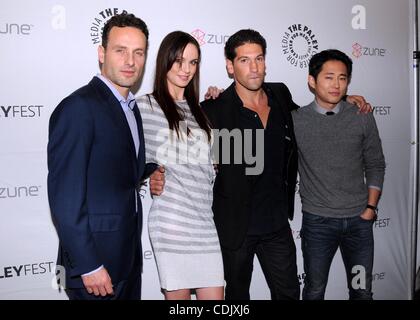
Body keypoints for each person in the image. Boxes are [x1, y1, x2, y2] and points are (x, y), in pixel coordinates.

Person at [149, 29, 371, 300]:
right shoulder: (213, 110)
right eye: (244, 60)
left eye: (259, 59)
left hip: (277, 226)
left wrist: (342, 99)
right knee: (237, 299)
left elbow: (309, 115)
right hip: (233, 229)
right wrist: (155, 173)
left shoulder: (280, 95)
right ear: (230, 66)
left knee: (289, 294)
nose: (254, 68)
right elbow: (184, 157)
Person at [47, 13, 152, 300]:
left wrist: (152, 169)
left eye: (138, 52)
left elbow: (117, 171)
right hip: (95, 268)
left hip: (127, 261)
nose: (130, 61)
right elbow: (65, 198)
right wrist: (89, 264)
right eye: (121, 50)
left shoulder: (131, 108)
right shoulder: (79, 108)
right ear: (102, 53)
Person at [292, 49, 385, 300]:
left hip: (359, 223)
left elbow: (375, 163)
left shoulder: (361, 116)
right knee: (314, 289)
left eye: (342, 78)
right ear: (312, 81)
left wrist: (370, 208)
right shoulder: (296, 121)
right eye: (329, 77)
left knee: (361, 290)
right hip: (318, 224)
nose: (336, 84)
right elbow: (255, 92)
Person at [137, 31, 224, 300]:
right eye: (179, 61)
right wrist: (149, 172)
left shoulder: (201, 111)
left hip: (205, 223)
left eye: (193, 62)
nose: (186, 69)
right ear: (165, 60)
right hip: (172, 223)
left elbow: (212, 165)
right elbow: (125, 159)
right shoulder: (143, 107)